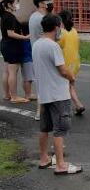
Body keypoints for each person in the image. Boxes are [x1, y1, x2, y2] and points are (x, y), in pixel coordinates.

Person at [32, 14, 81, 175]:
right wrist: (72, 77)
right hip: (58, 94)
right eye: (59, 26)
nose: (61, 29)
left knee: (44, 128)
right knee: (60, 130)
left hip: (44, 94)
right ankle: (61, 164)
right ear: (55, 28)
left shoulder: (37, 44)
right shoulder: (53, 46)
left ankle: (44, 158)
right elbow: (62, 69)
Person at [1, 0, 30, 103]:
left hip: (5, 45)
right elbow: (11, 33)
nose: (18, 5)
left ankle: (7, 94)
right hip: (12, 46)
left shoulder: (4, 15)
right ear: (9, 5)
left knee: (7, 71)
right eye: (16, 3)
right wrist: (25, 37)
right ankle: (14, 96)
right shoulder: (10, 17)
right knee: (13, 71)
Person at [57, 10, 85, 116]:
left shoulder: (61, 33)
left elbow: (57, 46)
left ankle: (67, 109)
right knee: (70, 86)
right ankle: (78, 105)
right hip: (75, 63)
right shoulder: (74, 31)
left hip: (65, 63)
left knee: (63, 87)